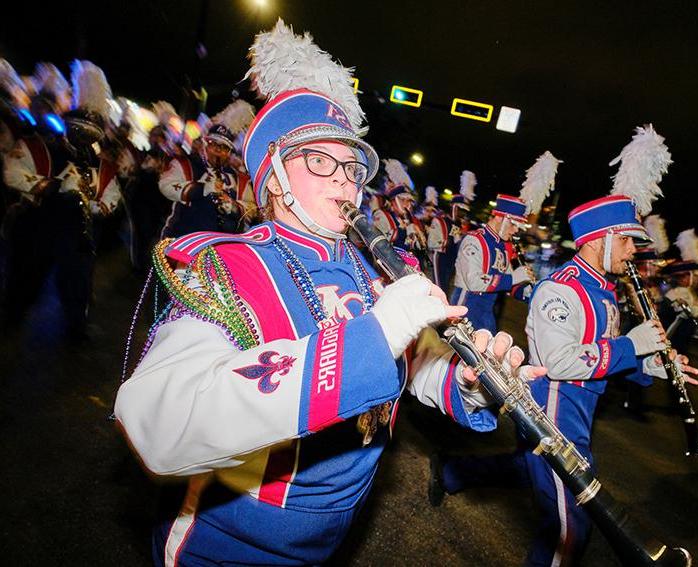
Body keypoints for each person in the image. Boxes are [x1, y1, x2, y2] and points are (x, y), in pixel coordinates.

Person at [113, 20, 542, 566]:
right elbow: (158, 423)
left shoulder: (371, 270)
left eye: (351, 166)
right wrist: (374, 335)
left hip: (330, 537)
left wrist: (470, 381)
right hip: (228, 544)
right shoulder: (230, 265)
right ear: (275, 178)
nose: (345, 180)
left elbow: (415, 367)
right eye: (320, 161)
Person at [433, 195, 698, 565]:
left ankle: (453, 471)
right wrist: (629, 345)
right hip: (554, 409)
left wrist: (648, 365)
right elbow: (560, 362)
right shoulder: (560, 291)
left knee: (530, 470)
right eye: (624, 240)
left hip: (580, 408)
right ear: (597, 240)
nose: (632, 251)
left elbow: (602, 353)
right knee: (570, 525)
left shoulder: (604, 290)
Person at [2, 60, 120, 336]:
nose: (83, 136)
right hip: (38, 224)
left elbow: (111, 192)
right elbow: (12, 173)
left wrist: (97, 205)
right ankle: (12, 316)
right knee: (26, 276)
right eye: (78, 129)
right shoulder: (38, 145)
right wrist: (53, 185)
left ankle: (76, 326)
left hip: (77, 232)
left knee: (77, 282)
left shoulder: (100, 162)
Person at [159, 99, 254, 238]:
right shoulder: (186, 165)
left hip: (223, 248)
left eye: (223, 147)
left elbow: (252, 208)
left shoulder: (240, 179)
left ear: (229, 152)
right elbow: (165, 186)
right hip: (184, 244)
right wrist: (202, 188)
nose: (216, 150)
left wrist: (234, 206)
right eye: (212, 144)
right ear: (205, 144)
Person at [450, 193, 532, 332]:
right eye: (513, 223)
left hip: (487, 310)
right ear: (499, 218)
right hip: (466, 306)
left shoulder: (505, 246)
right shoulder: (474, 240)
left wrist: (526, 292)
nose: (516, 230)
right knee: (460, 353)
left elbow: (507, 282)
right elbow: (473, 281)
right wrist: (513, 278)